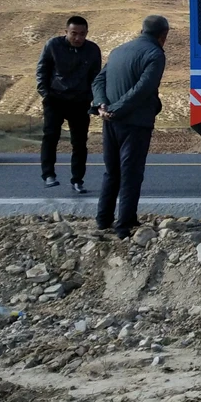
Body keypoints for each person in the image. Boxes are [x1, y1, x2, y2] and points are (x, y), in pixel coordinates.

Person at [92, 15, 169, 239]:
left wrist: (102, 105)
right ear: (163, 36)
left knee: (111, 171)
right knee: (131, 174)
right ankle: (124, 225)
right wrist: (116, 108)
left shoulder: (119, 51)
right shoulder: (155, 54)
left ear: (142, 30)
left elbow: (98, 80)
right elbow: (143, 89)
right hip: (135, 123)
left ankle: (103, 219)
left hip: (110, 122)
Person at [36, 15, 102, 193]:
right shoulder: (53, 45)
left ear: (87, 33)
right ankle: (48, 174)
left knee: (79, 142)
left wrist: (94, 99)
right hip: (55, 99)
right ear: (66, 32)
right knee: (50, 137)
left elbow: (96, 77)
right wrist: (45, 94)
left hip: (80, 102)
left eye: (82, 34)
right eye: (74, 33)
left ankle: (77, 180)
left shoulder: (92, 50)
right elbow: (42, 70)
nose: (78, 38)